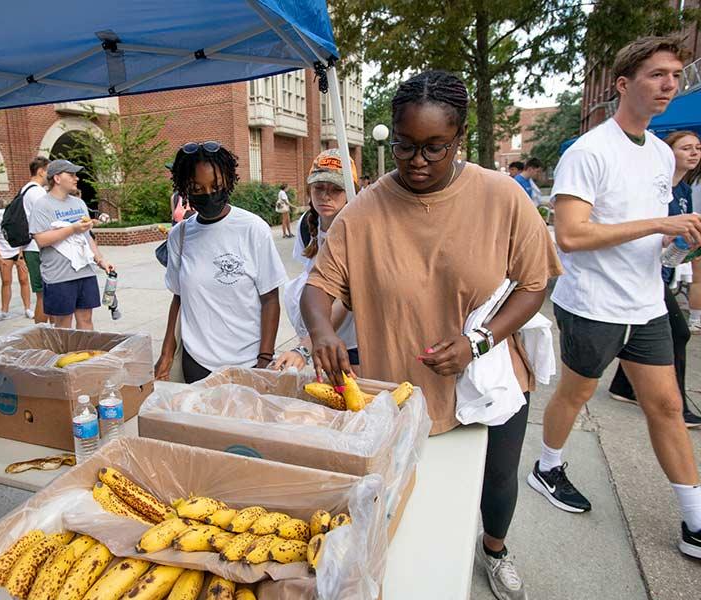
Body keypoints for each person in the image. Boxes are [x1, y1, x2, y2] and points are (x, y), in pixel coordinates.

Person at [300, 70, 561, 599]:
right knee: (414, 504)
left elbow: (535, 283)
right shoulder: (363, 212)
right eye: (404, 146)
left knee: (496, 483)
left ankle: (495, 548)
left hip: (489, 386)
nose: (417, 161)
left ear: (458, 139)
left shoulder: (502, 196)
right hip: (402, 392)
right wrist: (321, 328)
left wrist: (478, 341)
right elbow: (318, 286)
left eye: (434, 149)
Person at [529, 37, 701, 560]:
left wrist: (675, 241)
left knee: (668, 406)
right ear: (624, 85)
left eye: (675, 74)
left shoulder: (658, 153)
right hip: (592, 306)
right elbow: (572, 235)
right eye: (657, 75)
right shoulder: (588, 151)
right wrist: (659, 221)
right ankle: (547, 466)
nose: (670, 84)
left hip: (647, 304)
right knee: (576, 396)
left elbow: (649, 232)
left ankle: (695, 522)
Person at [154, 141, 287, 384]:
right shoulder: (180, 236)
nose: (208, 194)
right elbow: (179, 297)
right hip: (196, 363)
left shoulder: (253, 228)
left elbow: (270, 298)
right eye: (197, 188)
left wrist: (264, 359)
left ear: (229, 181)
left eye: (216, 186)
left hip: (247, 363)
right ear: (184, 189)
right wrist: (166, 352)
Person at [607, 130, 701, 428]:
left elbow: (674, 242)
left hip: (662, 270)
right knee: (679, 333)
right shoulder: (652, 190)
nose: (694, 153)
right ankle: (679, 405)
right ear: (666, 153)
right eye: (685, 148)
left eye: (697, 147)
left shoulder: (684, 191)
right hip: (642, 274)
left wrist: (687, 245)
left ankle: (623, 386)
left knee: (645, 332)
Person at [272, 149, 359, 372]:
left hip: (353, 344)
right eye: (319, 187)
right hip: (318, 339)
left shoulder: (358, 231)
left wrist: (304, 348)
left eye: (336, 189)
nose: (325, 196)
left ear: (351, 191)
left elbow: (345, 302)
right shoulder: (306, 224)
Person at [28, 160, 114, 330]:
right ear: (57, 178)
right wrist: (72, 228)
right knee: (63, 325)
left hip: (85, 271)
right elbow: (41, 240)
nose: (77, 179)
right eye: (72, 174)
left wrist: (100, 259)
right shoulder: (42, 205)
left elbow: (87, 236)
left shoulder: (79, 203)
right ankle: (66, 356)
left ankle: (86, 355)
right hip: (59, 276)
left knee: (86, 320)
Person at [21, 157, 50, 324]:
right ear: (41, 171)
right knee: (43, 295)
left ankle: (50, 329)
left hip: (30, 247)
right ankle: (41, 332)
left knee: (45, 294)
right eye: (49, 170)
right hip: (36, 248)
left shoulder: (25, 190)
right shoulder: (37, 192)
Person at [0, 223, 33, 322]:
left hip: (17, 252)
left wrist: (21, 255)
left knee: (24, 279)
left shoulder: (14, 218)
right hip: (4, 254)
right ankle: (4, 311)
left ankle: (28, 309)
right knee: (6, 281)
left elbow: (21, 237)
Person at [688, 162, 701, 333]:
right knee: (698, 280)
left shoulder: (693, 179)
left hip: (693, 229)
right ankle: (696, 319)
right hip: (696, 231)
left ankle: (695, 318)